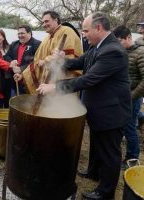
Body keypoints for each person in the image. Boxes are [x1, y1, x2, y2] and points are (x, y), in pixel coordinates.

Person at [36, 12, 131, 199]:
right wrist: (62, 59)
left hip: (111, 111)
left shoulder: (112, 51)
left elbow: (89, 79)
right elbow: (79, 62)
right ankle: (93, 172)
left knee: (109, 153)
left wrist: (55, 87)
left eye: (86, 30)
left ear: (99, 28)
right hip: (98, 109)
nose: (83, 34)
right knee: (97, 144)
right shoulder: (97, 47)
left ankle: (105, 193)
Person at [19, 11, 83, 94]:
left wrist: (45, 61)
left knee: (64, 106)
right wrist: (23, 75)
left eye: (46, 21)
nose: (44, 25)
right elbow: (37, 60)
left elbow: (65, 58)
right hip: (49, 82)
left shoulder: (67, 31)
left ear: (56, 20)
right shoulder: (47, 37)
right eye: (42, 22)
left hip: (64, 82)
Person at [113, 25, 144, 169]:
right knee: (122, 124)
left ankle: (132, 159)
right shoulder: (122, 52)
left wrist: (131, 96)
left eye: (120, 41)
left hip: (132, 97)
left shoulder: (141, 53)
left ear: (129, 38)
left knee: (129, 127)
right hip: (121, 96)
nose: (118, 44)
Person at [4, 25, 41, 96]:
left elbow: (37, 61)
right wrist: (11, 62)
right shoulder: (14, 44)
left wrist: (21, 69)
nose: (20, 35)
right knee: (16, 103)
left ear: (29, 33)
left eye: (22, 33)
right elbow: (7, 56)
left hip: (31, 81)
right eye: (19, 33)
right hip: (15, 81)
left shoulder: (37, 44)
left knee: (30, 104)